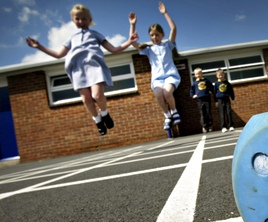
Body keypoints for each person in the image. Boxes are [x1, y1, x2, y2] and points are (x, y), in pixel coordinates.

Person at [25, 4, 138, 136]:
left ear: (90, 20)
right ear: (73, 20)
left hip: (94, 67)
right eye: (77, 19)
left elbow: (114, 49)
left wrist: (130, 38)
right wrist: (39, 46)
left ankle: (105, 113)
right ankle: (98, 120)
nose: (81, 21)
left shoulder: (95, 34)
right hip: (79, 70)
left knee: (97, 95)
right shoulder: (72, 38)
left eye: (84, 19)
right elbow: (58, 54)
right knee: (86, 100)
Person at [128, 2, 181, 131]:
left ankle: (174, 111)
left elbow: (173, 29)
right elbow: (132, 42)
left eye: (157, 34)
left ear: (162, 35)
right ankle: (167, 115)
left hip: (170, 76)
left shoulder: (168, 45)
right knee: (158, 94)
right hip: (157, 79)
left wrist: (165, 13)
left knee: (167, 93)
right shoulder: (148, 50)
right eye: (152, 35)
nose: (154, 37)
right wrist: (132, 24)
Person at [190, 68, 214, 133]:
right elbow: (191, 91)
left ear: (202, 74)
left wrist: (211, 91)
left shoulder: (206, 81)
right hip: (200, 100)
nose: (198, 75)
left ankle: (210, 126)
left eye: (199, 74)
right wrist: (193, 95)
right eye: (197, 74)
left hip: (207, 98)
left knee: (208, 112)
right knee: (202, 113)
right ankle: (204, 126)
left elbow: (211, 87)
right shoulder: (194, 83)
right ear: (195, 75)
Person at [214, 69, 235, 133]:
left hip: (227, 99)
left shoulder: (227, 83)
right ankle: (223, 127)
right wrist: (216, 101)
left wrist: (232, 98)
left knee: (228, 112)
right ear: (217, 76)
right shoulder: (216, 83)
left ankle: (231, 125)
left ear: (224, 75)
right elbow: (214, 92)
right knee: (222, 113)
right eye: (219, 75)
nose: (221, 76)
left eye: (222, 75)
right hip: (220, 100)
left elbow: (231, 91)